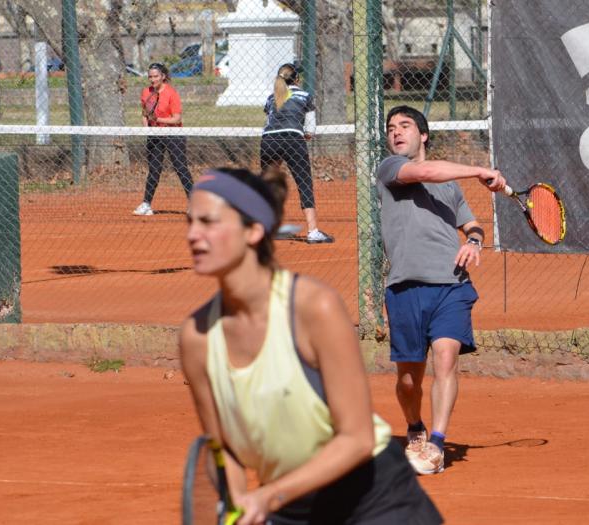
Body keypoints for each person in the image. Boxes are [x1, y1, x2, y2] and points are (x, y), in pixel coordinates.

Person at [179, 165, 442, 525]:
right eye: (189, 222)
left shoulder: (312, 308)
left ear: (254, 230)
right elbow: (224, 447)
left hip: (374, 499)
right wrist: (241, 503)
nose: (193, 235)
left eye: (208, 222)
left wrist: (267, 497)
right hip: (290, 509)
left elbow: (357, 438)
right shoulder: (196, 338)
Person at [375, 106, 506, 475]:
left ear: (424, 135)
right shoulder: (390, 169)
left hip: (451, 285)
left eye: (405, 126)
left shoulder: (450, 185)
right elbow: (427, 171)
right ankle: (414, 425)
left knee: (446, 359)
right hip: (405, 288)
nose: (396, 132)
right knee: (407, 380)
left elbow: (473, 225)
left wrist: (475, 243)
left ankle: (435, 441)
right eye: (391, 128)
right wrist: (481, 169)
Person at [259, 63, 334, 244]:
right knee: (304, 183)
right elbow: (310, 128)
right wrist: (306, 135)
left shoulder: (271, 97)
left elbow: (269, 120)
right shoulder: (305, 95)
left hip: (268, 140)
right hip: (292, 139)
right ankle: (313, 231)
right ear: (297, 80)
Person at [133, 62, 193, 216]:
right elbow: (144, 114)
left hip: (174, 135)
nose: (153, 80)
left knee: (181, 168)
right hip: (155, 135)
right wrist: (148, 129)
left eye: (156, 76)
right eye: (150, 77)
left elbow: (176, 118)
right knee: (154, 170)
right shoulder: (146, 92)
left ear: (163, 77)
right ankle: (146, 204)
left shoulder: (171, 93)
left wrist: (158, 119)